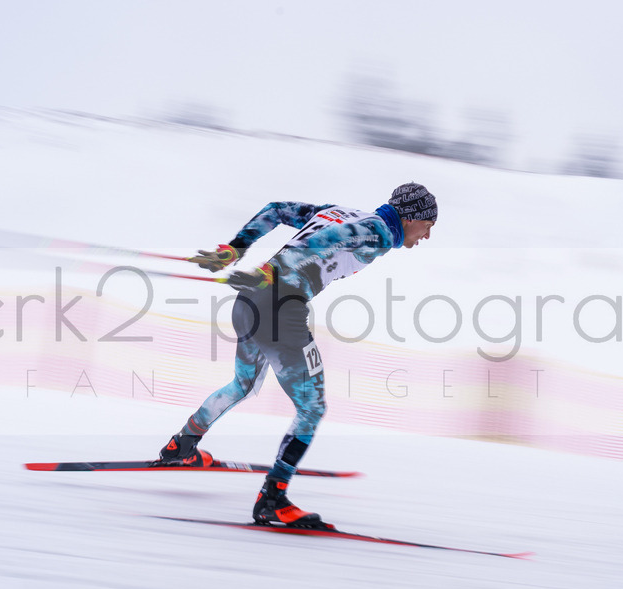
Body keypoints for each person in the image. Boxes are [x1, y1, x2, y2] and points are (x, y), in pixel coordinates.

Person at [155, 183, 438, 527]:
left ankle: (181, 447)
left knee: (242, 384)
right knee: (313, 407)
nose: (426, 236)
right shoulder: (377, 231)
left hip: (250, 301)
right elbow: (329, 240)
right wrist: (274, 271)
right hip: (278, 308)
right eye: (428, 226)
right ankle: (273, 498)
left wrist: (235, 249)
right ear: (411, 217)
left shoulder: (342, 211)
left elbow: (276, 209)